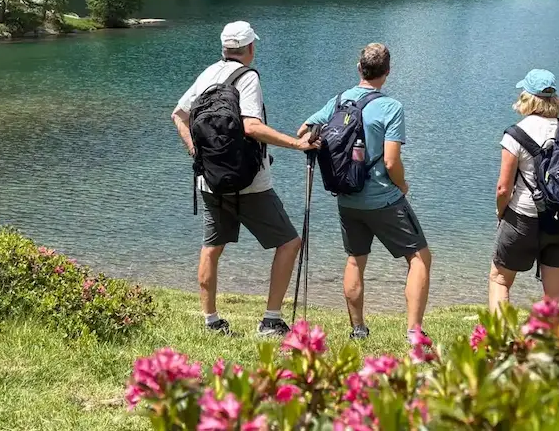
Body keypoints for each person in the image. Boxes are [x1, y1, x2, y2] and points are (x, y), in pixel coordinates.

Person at [171, 21, 317, 337]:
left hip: (210, 180)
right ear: (250, 47)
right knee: (289, 242)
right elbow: (251, 126)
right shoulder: (248, 78)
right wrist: (296, 144)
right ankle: (271, 320)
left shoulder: (208, 74)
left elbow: (178, 115)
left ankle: (211, 321)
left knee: (212, 247)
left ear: (224, 47)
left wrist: (197, 153)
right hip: (250, 183)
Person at [298, 43, 432, 341]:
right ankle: (414, 332)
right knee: (420, 258)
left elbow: (302, 132)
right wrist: (402, 185)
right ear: (388, 72)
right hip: (383, 198)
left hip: (347, 198)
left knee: (355, 260)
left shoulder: (338, 101)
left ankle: (358, 329)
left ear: (359, 68)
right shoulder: (391, 107)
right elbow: (391, 161)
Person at [489, 68, 559, 312]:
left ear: (527, 97)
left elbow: (503, 188)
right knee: (555, 292)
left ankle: (501, 335)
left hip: (523, 217)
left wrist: (501, 213)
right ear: (555, 99)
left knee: (500, 280)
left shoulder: (515, 134)